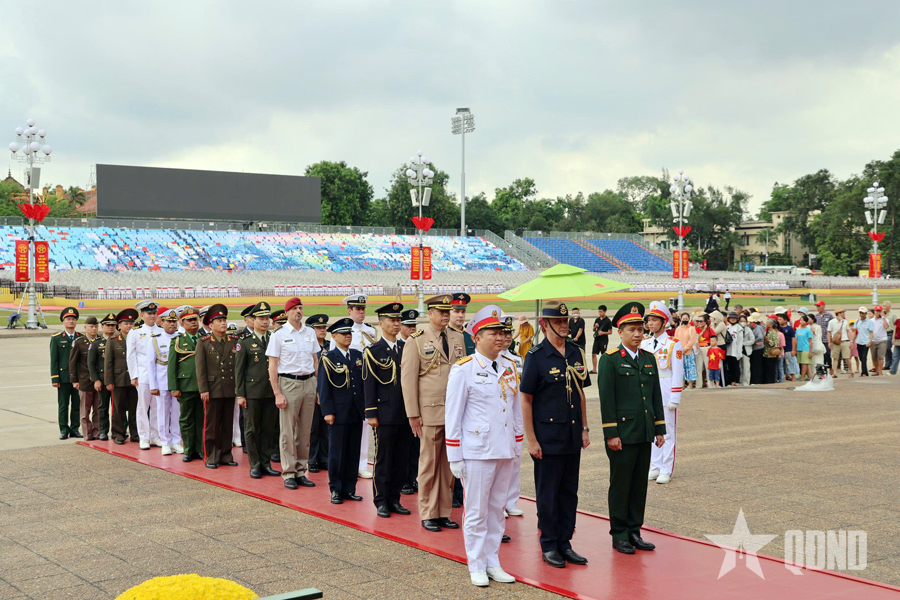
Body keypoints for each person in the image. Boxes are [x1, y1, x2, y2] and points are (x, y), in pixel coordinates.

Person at [446, 305, 521, 587]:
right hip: (477, 451)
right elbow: (452, 415)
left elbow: (514, 411)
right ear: (476, 337)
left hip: (503, 449)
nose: (500, 338)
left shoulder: (510, 366)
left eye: (503, 333)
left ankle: (493, 561)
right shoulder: (463, 370)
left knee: (497, 509)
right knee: (476, 512)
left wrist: (517, 445)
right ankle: (476, 564)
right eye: (493, 333)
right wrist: (455, 455)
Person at [521, 300, 590, 568]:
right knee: (547, 493)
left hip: (572, 434)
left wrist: (585, 427)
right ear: (544, 324)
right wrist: (532, 439)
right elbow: (526, 400)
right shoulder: (536, 356)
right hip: (547, 438)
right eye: (558, 322)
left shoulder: (575, 352)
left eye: (566, 321)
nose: (564, 326)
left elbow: (581, 393)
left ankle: (565, 542)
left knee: (569, 492)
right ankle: (549, 544)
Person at [598, 302, 665, 555]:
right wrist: (611, 434)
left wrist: (659, 428)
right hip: (622, 435)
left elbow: (655, 395)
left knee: (639, 485)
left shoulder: (648, 358)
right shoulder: (611, 360)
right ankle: (619, 534)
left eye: (641, 329)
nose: (638, 334)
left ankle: (635, 530)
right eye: (632, 329)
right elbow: (607, 400)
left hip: (644, 431)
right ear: (620, 332)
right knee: (621, 484)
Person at [400, 294, 466, 533]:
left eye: (448, 312)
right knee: (428, 464)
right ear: (430, 314)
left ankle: (444, 512)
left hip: (454, 410)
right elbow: (407, 381)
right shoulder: (416, 340)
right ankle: (428, 512)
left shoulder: (457, 337)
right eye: (441, 312)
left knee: (449, 465)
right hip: (429, 412)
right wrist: (413, 414)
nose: (446, 315)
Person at [363, 303, 411, 518]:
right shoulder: (373, 351)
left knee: (402, 458)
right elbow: (369, 383)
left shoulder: (407, 348)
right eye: (391, 320)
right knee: (384, 459)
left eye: (398, 320)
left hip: (405, 412)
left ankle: (395, 499)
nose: (396, 323)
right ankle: (381, 500)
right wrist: (371, 413)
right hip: (384, 413)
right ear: (381, 323)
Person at [267, 297, 319, 489]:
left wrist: (316, 384)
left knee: (305, 431)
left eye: (300, 308)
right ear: (287, 312)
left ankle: (300, 470)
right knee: (288, 431)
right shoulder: (278, 335)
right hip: (289, 383)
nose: (299, 311)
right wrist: (277, 393)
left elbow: (315, 360)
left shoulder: (310, 332)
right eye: (295, 308)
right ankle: (288, 471)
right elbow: (272, 366)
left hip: (308, 383)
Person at [317, 317, 365, 504]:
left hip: (355, 411)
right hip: (337, 412)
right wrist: (327, 411)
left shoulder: (357, 355)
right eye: (344, 334)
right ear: (334, 337)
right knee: (336, 453)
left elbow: (361, 385)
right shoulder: (328, 358)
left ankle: (349, 488)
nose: (348, 337)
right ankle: (335, 489)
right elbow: (323, 387)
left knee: (353, 452)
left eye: (349, 333)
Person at [235, 302, 280, 479]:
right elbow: (239, 370)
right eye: (261, 318)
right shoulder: (244, 342)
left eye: (267, 318)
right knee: (252, 429)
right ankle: (254, 464)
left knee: (269, 429)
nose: (264, 321)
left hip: (271, 391)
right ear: (253, 320)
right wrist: (240, 394)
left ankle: (266, 462)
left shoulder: (274, 339)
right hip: (252, 392)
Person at [641, 301, 682, 485]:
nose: (650, 324)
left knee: (668, 433)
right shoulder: (646, 343)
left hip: (666, 393)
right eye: (649, 320)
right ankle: (655, 465)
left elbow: (677, 373)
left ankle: (666, 468)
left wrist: (675, 397)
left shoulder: (674, 344)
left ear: (664, 322)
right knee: (652, 431)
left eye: (654, 320)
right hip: (649, 393)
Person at [195, 304, 239, 469]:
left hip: (229, 388)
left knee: (227, 424)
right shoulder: (204, 343)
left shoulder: (234, 340)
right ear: (210, 325)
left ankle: (226, 455)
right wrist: (203, 389)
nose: (223, 323)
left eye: (224, 320)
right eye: (219, 321)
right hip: (212, 390)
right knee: (212, 424)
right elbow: (200, 368)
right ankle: (211, 456)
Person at [345, 294, 377, 480]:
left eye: (363, 309)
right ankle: (348, 463)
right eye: (357, 309)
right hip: (350, 382)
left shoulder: (371, 331)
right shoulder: (343, 330)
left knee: (365, 425)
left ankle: (362, 464)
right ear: (349, 310)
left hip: (366, 382)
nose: (361, 312)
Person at [447, 293, 474, 508]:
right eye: (456, 311)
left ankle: (462, 490)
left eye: (463, 311)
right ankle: (452, 492)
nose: (460, 315)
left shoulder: (470, 337)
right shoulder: (443, 336)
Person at [168, 306, 204, 461]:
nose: (193, 323)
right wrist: (174, 387)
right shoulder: (177, 341)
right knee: (187, 420)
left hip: (203, 387)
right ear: (182, 323)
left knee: (201, 419)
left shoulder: (204, 339)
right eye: (189, 320)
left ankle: (199, 449)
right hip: (186, 386)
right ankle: (188, 449)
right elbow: (171, 366)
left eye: (195, 319)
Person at [498, 316, 524, 520]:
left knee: (515, 460)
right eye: (503, 333)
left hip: (514, 416)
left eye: (509, 333)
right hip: (498, 417)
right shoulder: (491, 359)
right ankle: (499, 504)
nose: (507, 337)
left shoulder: (516, 360)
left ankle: (511, 501)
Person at [147, 309, 182, 455]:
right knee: (162, 412)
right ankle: (165, 441)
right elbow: (150, 363)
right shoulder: (155, 338)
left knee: (177, 412)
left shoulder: (182, 337)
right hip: (162, 381)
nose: (172, 324)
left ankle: (176, 441)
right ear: (162, 322)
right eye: (169, 321)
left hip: (179, 381)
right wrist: (153, 385)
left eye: (174, 321)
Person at [128, 300, 162, 450]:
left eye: (154, 313)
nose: (152, 316)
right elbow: (131, 355)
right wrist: (134, 375)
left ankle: (155, 436)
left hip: (159, 375)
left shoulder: (161, 330)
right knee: (142, 407)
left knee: (157, 407)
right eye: (149, 313)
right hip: (143, 374)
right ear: (142, 315)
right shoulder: (135, 332)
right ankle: (143, 436)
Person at [106, 309, 139, 445]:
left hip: (135, 379)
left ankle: (135, 433)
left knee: (135, 408)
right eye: (126, 323)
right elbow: (108, 362)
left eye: (131, 323)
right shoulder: (113, 341)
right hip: (119, 379)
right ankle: (118, 434)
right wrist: (109, 381)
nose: (129, 326)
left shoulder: (138, 339)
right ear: (119, 326)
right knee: (118, 409)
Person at [50, 307, 83, 440]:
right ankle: (63, 429)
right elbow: (54, 360)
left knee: (77, 405)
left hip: (78, 378)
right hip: (63, 378)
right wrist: (54, 378)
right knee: (63, 405)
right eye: (68, 319)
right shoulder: (57, 339)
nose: (71, 322)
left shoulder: (81, 338)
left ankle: (75, 428)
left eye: (73, 319)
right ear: (63, 321)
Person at [399, 308, 420, 496]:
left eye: (414, 325)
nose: (412, 329)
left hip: (418, 403)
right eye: (408, 326)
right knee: (403, 445)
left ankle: (412, 477)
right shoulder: (397, 346)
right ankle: (403, 480)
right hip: (400, 405)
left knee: (416, 445)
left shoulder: (420, 345)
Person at [307, 313, 331, 473]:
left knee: (327, 428)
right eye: (319, 328)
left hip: (329, 392)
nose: (322, 330)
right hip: (315, 391)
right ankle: (313, 459)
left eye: (324, 327)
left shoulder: (331, 346)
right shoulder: (309, 347)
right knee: (314, 428)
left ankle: (325, 458)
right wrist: (316, 392)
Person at [88, 313, 117, 441]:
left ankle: (118, 431)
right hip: (102, 379)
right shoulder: (96, 343)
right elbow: (91, 363)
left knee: (118, 407)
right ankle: (103, 431)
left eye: (113, 325)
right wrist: (96, 380)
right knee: (103, 407)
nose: (111, 327)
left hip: (118, 379)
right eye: (108, 325)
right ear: (103, 326)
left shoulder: (119, 340)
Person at [69, 315, 99, 440]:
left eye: (96, 327)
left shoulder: (101, 341)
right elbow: (72, 362)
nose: (94, 329)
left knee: (98, 410)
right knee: (85, 411)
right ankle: (87, 433)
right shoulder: (79, 343)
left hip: (98, 381)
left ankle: (97, 433)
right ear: (85, 327)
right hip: (84, 380)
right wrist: (74, 380)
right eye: (91, 327)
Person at [674, 313, 697, 388]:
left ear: (689, 319)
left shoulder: (692, 329)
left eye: (686, 318)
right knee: (681, 368)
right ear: (680, 319)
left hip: (689, 351)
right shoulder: (678, 329)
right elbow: (676, 340)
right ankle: (682, 384)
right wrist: (680, 349)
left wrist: (685, 348)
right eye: (683, 318)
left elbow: (692, 340)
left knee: (690, 368)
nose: (685, 320)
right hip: (680, 352)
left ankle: (690, 384)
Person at [828, 308, 851, 377]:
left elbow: (848, 331)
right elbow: (829, 332)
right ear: (839, 313)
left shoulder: (845, 322)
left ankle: (850, 371)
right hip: (835, 342)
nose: (844, 314)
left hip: (844, 340)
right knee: (835, 358)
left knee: (847, 357)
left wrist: (850, 341)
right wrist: (829, 342)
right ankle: (835, 372)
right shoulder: (832, 322)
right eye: (843, 312)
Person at [813, 301, 834, 376]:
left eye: (819, 306)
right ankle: (823, 369)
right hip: (819, 338)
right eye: (817, 306)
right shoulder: (816, 316)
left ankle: (830, 366)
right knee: (821, 355)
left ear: (823, 306)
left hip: (826, 338)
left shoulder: (829, 315)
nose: (818, 308)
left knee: (827, 354)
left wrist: (830, 339)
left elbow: (832, 326)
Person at [776, 311, 798, 383]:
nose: (779, 321)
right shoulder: (778, 328)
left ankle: (793, 377)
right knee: (782, 364)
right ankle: (786, 376)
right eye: (778, 319)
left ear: (785, 320)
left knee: (789, 362)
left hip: (788, 348)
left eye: (780, 319)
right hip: (781, 349)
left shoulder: (789, 329)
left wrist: (793, 349)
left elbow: (793, 339)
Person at [590, 305, 611, 374]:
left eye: (601, 312)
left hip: (604, 339)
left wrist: (603, 333)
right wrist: (595, 327)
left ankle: (603, 368)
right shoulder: (597, 319)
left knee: (603, 354)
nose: (600, 313)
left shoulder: (608, 321)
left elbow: (610, 332)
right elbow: (593, 330)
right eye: (599, 312)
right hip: (597, 339)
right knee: (593, 353)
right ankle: (594, 369)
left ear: (605, 312)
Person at [871, 305, 890, 376]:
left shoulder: (884, 319)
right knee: (874, 357)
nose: (878, 312)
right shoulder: (871, 320)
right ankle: (877, 370)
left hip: (882, 339)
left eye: (879, 311)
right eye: (877, 311)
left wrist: (883, 317)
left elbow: (886, 326)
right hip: (873, 340)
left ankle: (880, 371)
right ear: (875, 311)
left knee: (880, 357)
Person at [724, 312, 743, 386]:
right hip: (729, 349)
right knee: (730, 366)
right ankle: (731, 380)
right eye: (731, 318)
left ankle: (737, 380)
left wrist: (739, 351)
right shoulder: (727, 327)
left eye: (734, 318)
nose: (732, 319)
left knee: (736, 366)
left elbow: (740, 341)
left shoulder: (739, 328)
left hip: (736, 350)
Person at [855, 307, 874, 376]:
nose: (862, 314)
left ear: (865, 313)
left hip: (866, 341)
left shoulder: (869, 322)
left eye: (863, 313)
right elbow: (855, 331)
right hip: (859, 341)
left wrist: (870, 341)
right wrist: (852, 341)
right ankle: (865, 371)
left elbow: (871, 332)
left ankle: (864, 372)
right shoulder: (857, 321)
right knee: (861, 357)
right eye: (860, 313)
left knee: (864, 357)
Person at [695, 313, 711, 387]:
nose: (699, 323)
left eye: (701, 321)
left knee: (708, 366)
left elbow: (713, 338)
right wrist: (703, 331)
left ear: (705, 322)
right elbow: (696, 339)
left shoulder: (709, 329)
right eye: (697, 321)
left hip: (707, 348)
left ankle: (710, 384)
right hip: (698, 348)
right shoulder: (695, 329)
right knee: (698, 367)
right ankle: (698, 384)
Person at [763, 318, 781, 384]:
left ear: (771, 325)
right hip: (766, 353)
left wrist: (768, 341)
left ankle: (771, 381)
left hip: (771, 354)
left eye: (767, 323)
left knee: (771, 369)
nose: (766, 324)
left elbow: (776, 342)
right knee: (766, 368)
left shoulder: (773, 332)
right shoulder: (767, 332)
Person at [749, 314, 766, 384]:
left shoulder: (758, 327)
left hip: (758, 349)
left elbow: (760, 337)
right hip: (756, 348)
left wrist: (753, 342)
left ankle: (757, 380)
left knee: (757, 365)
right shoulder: (759, 327)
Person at [795, 316, 813, 381]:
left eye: (803, 320)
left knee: (804, 363)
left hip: (806, 348)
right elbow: (796, 340)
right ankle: (809, 376)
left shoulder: (808, 330)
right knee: (802, 363)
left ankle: (802, 377)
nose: (801, 322)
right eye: (800, 320)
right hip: (799, 348)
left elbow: (810, 342)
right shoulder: (798, 330)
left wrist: (811, 351)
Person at [739, 314, 754, 386]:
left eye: (744, 321)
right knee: (740, 367)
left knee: (746, 367)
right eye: (741, 321)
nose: (742, 322)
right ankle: (740, 381)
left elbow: (752, 340)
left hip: (746, 350)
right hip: (738, 350)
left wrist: (743, 343)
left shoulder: (748, 330)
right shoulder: (737, 329)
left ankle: (746, 382)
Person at [883, 302, 894, 372]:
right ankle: (888, 364)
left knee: (887, 347)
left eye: (885, 306)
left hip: (890, 333)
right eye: (883, 306)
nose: (883, 307)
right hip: (883, 333)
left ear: (889, 307)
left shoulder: (892, 315)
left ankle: (892, 362)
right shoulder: (882, 315)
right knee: (885, 349)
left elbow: (895, 325)